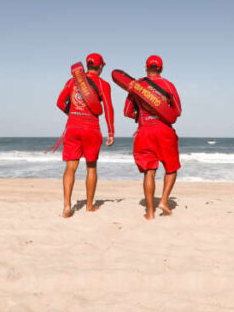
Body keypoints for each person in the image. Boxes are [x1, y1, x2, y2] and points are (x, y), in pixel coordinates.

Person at [56, 53, 115, 217]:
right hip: (91, 128)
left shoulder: (72, 81)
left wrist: (73, 114)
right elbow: (108, 109)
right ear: (101, 66)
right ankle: (89, 205)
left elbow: (60, 102)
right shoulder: (103, 85)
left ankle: (67, 206)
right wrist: (111, 131)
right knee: (91, 167)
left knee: (70, 167)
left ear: (87, 65)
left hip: (73, 127)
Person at [124, 55, 182, 220]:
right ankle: (163, 201)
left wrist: (141, 114)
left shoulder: (137, 86)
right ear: (161, 69)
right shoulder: (169, 86)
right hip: (164, 131)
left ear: (146, 67)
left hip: (145, 131)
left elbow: (127, 111)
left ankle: (150, 213)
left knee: (149, 171)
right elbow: (177, 111)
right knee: (171, 168)